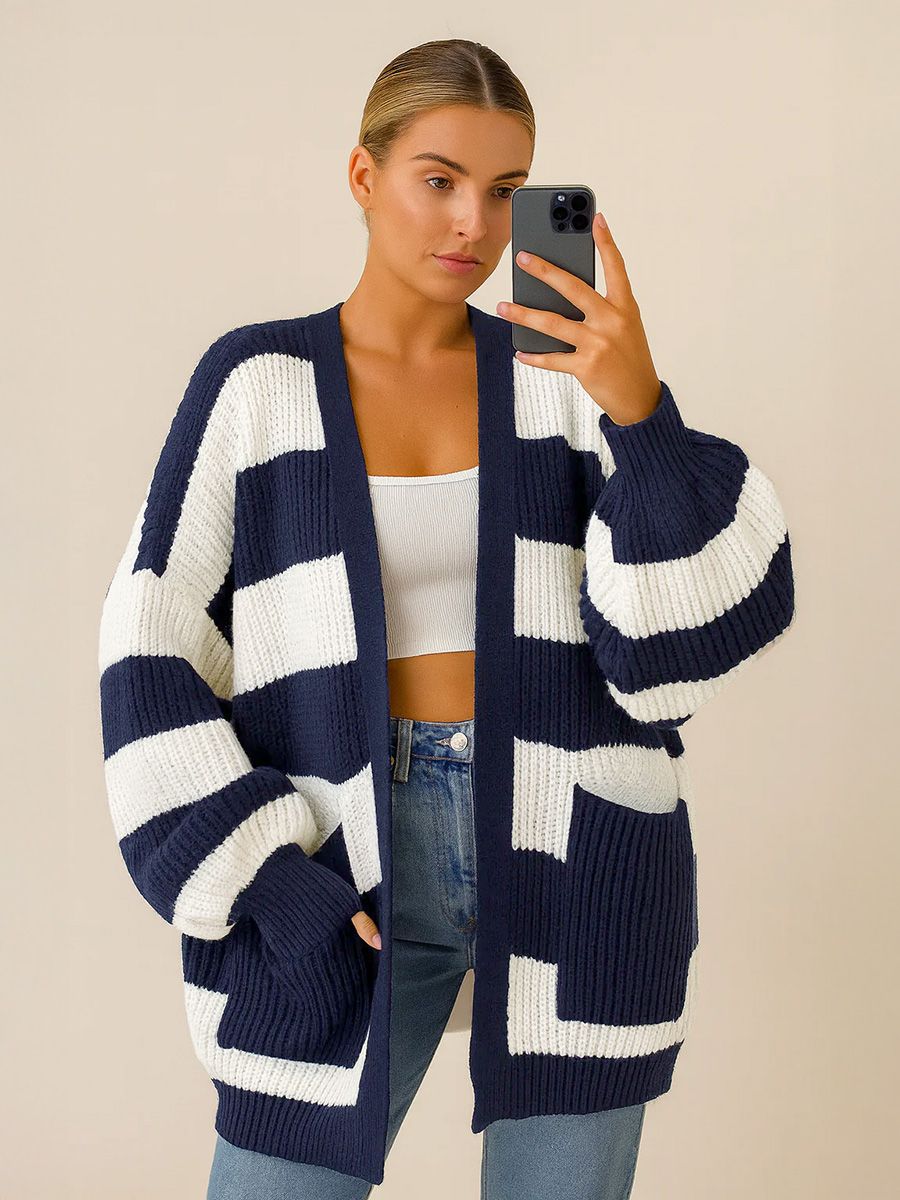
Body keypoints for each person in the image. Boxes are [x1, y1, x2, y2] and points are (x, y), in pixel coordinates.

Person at [98, 38, 796, 1200]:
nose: (474, 221)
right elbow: (149, 644)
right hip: (346, 844)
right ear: (363, 176)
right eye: (439, 179)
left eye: (507, 189)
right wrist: (265, 878)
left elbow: (673, 655)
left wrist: (640, 414)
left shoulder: (562, 380)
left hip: (579, 845)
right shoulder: (259, 384)